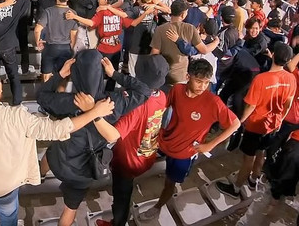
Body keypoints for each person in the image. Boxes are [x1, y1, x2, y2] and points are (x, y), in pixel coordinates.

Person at [0, 63, 115, 226]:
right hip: (7, 187)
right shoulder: (17, 117)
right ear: (0, 88)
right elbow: (56, 129)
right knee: (9, 219)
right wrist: (94, 113)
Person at [38, 50, 152, 225]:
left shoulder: (66, 101)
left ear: (75, 73)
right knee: (70, 209)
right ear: (100, 73)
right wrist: (114, 74)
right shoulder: (112, 102)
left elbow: (41, 95)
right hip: (83, 169)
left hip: (60, 158)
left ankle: (41, 173)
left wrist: (60, 74)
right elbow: (144, 90)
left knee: (51, 150)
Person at [138, 59, 240, 221]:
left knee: (170, 183)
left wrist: (210, 145)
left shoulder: (213, 102)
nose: (202, 87)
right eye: (198, 81)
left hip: (184, 153)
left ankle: (158, 207)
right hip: (164, 141)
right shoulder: (177, 89)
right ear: (188, 76)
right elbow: (163, 108)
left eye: (206, 83)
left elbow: (235, 123)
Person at [94, 55, 170, 226]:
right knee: (125, 191)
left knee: (122, 195)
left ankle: (118, 222)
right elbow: (140, 87)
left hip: (128, 161)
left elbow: (113, 134)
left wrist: (94, 115)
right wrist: (114, 74)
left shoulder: (135, 106)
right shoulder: (162, 96)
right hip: (147, 155)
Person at [216, 42, 296, 199]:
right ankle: (253, 180)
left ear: (272, 55)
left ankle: (236, 188)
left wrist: (240, 122)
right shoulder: (291, 79)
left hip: (255, 125)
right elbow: (288, 103)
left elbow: (251, 106)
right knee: (262, 153)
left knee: (248, 158)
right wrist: (279, 119)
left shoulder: (261, 79)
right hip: (273, 124)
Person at [150, 0, 219, 84]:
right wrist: (216, 42)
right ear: (183, 14)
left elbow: (154, 54)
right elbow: (204, 50)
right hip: (180, 75)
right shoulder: (190, 29)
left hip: (162, 74)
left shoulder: (160, 29)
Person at [33, 0, 78, 82]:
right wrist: (71, 48)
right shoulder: (73, 14)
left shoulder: (48, 11)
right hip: (66, 48)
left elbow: (37, 29)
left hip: (50, 48)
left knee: (46, 77)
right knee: (62, 77)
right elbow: (74, 35)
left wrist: (38, 41)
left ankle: (47, 96)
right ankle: (59, 96)